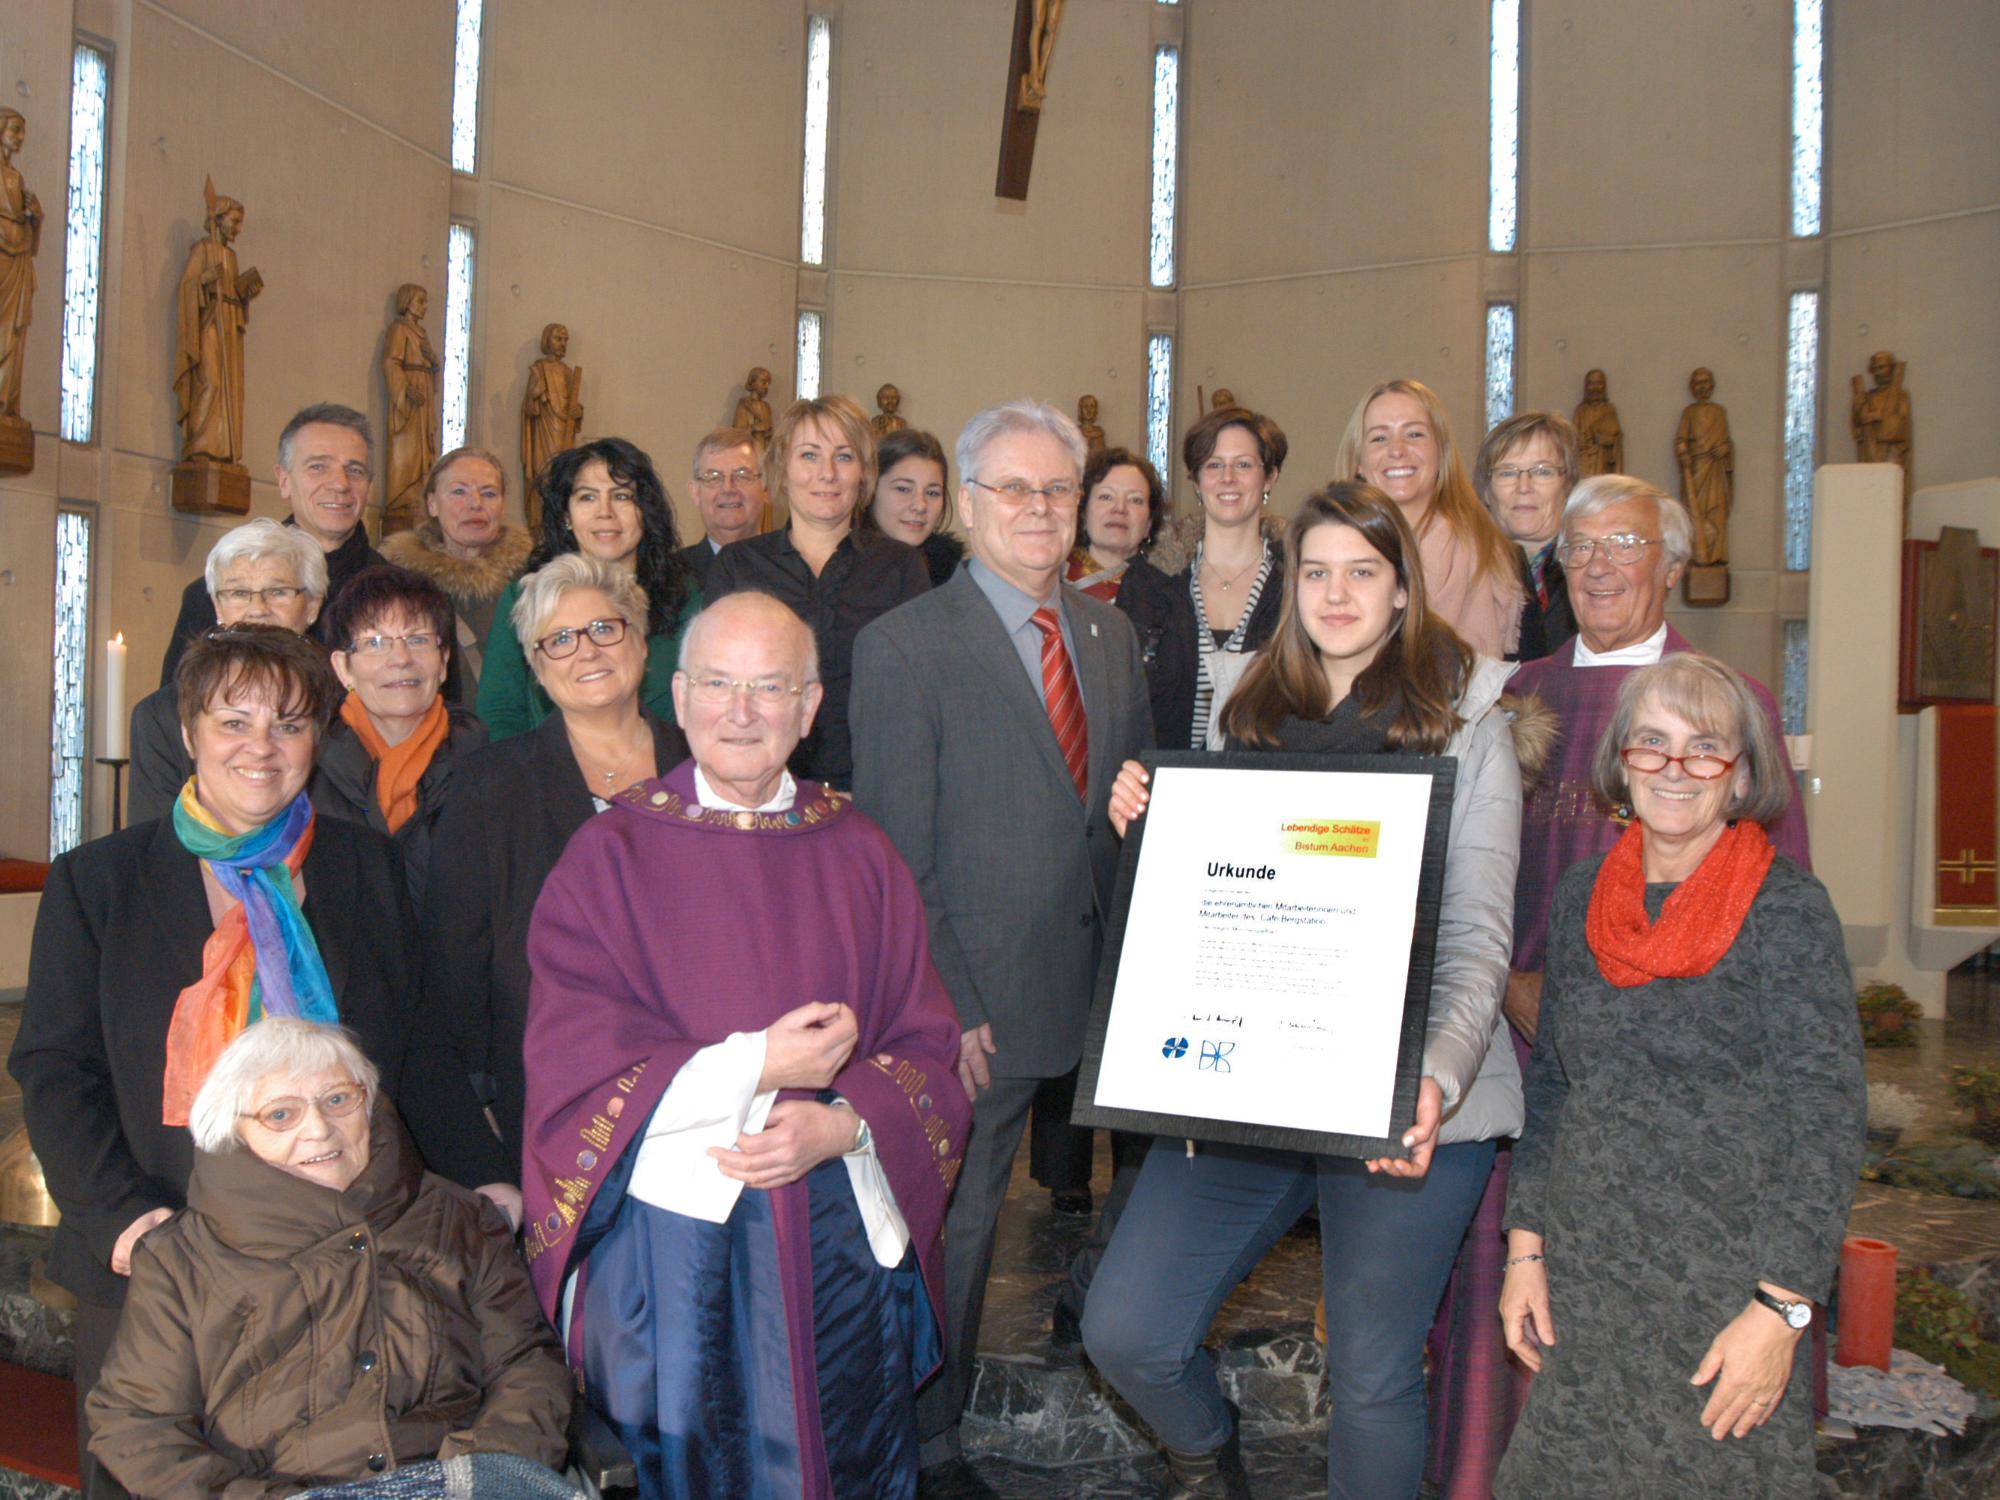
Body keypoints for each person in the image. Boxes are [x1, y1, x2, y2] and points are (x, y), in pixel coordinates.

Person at [1082, 482, 1526, 1500]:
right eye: (1316, 572)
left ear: (1401, 591)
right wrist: (1145, 823)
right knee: (1126, 1330)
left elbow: (1475, 936)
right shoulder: (1248, 706)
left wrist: (1436, 1079)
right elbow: (1200, 906)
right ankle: (1204, 1448)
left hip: (1407, 1094)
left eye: (1360, 572)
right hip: (1255, 1083)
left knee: (1371, 1375)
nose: (1335, 594)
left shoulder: (1469, 719)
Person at [520, 591, 970, 1500]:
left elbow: (928, 1041)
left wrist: (844, 1123)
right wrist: (757, 1067)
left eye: (770, 688)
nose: (740, 711)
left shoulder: (860, 849)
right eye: (719, 684)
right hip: (677, 1246)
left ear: (808, 710)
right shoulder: (608, 855)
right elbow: (576, 1066)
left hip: (841, 1234)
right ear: (678, 698)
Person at [1423, 473, 1810, 1500]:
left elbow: (1796, 1024)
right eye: (1577, 548)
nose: (1595, 565)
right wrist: (1505, 991)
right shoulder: (1508, 695)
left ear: (1671, 566)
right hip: (1510, 1059)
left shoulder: (1728, 700)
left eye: (1623, 544)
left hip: (1687, 1116)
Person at [8, 625, 449, 1500]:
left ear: (316, 739)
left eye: (287, 723)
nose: (261, 746)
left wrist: (476, 1187)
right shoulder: (99, 880)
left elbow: (416, 1045)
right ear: (188, 733)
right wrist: (123, 1218)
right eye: (234, 720)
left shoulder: (368, 868)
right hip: (159, 1254)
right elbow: (56, 1070)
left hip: (333, 1255)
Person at [850, 399, 1153, 1497]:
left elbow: (1121, 795)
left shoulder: (1109, 633)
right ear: (967, 504)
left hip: (1097, 984)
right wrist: (946, 1003)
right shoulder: (902, 646)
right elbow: (894, 852)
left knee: (1142, 1190)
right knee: (961, 1226)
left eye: (1057, 491)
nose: (1038, 510)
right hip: (973, 1001)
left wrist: (1143, 802)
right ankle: (927, 1440)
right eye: (1014, 490)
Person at [1495, 655, 1864, 1498]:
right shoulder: (1584, 897)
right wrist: (1526, 1248)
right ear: (1620, 759)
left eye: (1705, 748)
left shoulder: (1788, 911)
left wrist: (1783, 1312)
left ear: (1739, 777)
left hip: (1725, 1298)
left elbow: (1828, 1120)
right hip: (1587, 1290)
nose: (1674, 768)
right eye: (1652, 743)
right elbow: (1554, 1086)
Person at [87, 1019, 575, 1499]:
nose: (319, 1129)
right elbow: (138, 1426)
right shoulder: (180, 1261)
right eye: (281, 1115)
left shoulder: (459, 1220)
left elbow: (525, 1364)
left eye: (338, 1100)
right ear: (233, 1132)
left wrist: (479, 1477)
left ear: (370, 1104)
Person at [406, 554, 689, 1192]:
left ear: (641, 643)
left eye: (604, 629)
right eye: (559, 639)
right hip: (548, 1100)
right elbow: (455, 967)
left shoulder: (705, 768)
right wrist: (478, 1108)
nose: (585, 650)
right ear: (536, 668)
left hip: (697, 1096)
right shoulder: (489, 784)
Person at [707, 394, 929, 788]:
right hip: (760, 787)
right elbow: (715, 688)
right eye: (809, 455)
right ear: (781, 468)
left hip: (871, 788)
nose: (827, 473)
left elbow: (919, 696)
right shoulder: (738, 565)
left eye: (844, 457)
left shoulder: (900, 566)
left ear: (863, 473)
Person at [476, 436, 697, 741]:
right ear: (566, 515)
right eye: (587, 497)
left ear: (644, 511)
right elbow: (500, 711)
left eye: (621, 496)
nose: (605, 512)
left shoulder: (685, 597)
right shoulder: (524, 598)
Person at [159, 402, 386, 685]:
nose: (340, 484)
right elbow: (175, 710)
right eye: (318, 467)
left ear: (369, 486)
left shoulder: (402, 597)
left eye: (355, 470)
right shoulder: (215, 595)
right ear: (284, 480)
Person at [130, 519, 328, 826]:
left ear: (313, 606)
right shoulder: (161, 714)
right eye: (238, 593)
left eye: (278, 592)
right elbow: (153, 837)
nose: (258, 609)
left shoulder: (342, 706)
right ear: (217, 608)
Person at [313, 565, 487, 911]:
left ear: (444, 661)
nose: (401, 659)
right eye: (375, 643)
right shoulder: (306, 776)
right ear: (343, 667)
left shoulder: (487, 773)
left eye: (418, 640)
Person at [1117, 405, 1289, 750]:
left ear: (1269, 477)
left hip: (1268, 788)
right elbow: (1125, 704)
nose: (1228, 478)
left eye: (1243, 464)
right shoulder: (1149, 584)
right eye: (1213, 465)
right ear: (1195, 480)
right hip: (1166, 787)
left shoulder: (1297, 584)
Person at [1334, 378, 1524, 660]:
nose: (1397, 450)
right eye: (1379, 438)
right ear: (1359, 462)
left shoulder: (1497, 555)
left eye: (1414, 435)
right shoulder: (1325, 555)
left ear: (1440, 451)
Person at [380, 445, 535, 704]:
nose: (475, 504)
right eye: (459, 491)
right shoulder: (397, 581)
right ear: (432, 504)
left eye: (489, 493)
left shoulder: (532, 579)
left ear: (503, 506)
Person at [1473, 411, 1582, 661]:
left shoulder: (1591, 570)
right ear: (1486, 491)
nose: (1524, 487)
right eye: (1507, 472)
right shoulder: (1461, 570)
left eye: (1542, 472)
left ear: (1567, 485)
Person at [866, 426, 966, 587]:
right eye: (903, 489)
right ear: (871, 490)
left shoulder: (954, 580)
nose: (920, 506)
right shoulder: (840, 571)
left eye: (932, 493)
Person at [1064, 445, 1164, 602]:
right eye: (1106, 497)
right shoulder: (1049, 581)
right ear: (1083, 514)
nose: (1120, 508)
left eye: (1135, 500)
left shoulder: (1164, 595)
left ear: (1148, 525)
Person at [674, 425, 769, 590]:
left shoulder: (794, 570)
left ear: (766, 488)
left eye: (742, 476)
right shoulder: (671, 576)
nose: (728, 488)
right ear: (695, 492)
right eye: (713, 477)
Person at [381, 283, 442, 535]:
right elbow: (391, 363)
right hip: (410, 393)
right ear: (406, 302)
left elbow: (434, 366)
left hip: (424, 390)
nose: (424, 306)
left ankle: (420, 488)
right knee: (408, 445)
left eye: (426, 301)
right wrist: (405, 389)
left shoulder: (423, 335)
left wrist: (434, 362)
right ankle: (403, 495)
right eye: (420, 301)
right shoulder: (399, 330)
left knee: (426, 447)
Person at [520, 323, 583, 528]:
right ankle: (540, 524)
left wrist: (577, 412)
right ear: (547, 340)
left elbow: (570, 404)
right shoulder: (539, 369)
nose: (562, 344)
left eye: (565, 340)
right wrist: (536, 396)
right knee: (544, 474)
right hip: (544, 432)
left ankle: (559, 522)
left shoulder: (567, 372)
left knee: (563, 475)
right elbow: (530, 408)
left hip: (563, 433)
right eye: (558, 338)